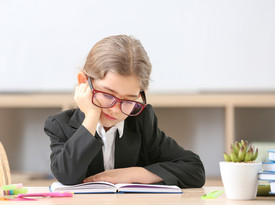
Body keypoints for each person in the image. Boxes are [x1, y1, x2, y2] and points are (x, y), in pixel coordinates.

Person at [44, 35, 205, 188]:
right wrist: (92, 116)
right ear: (84, 83)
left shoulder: (141, 121)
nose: (114, 110)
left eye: (128, 100)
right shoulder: (60, 125)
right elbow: (67, 175)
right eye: (107, 95)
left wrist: (135, 174)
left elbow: (194, 169)